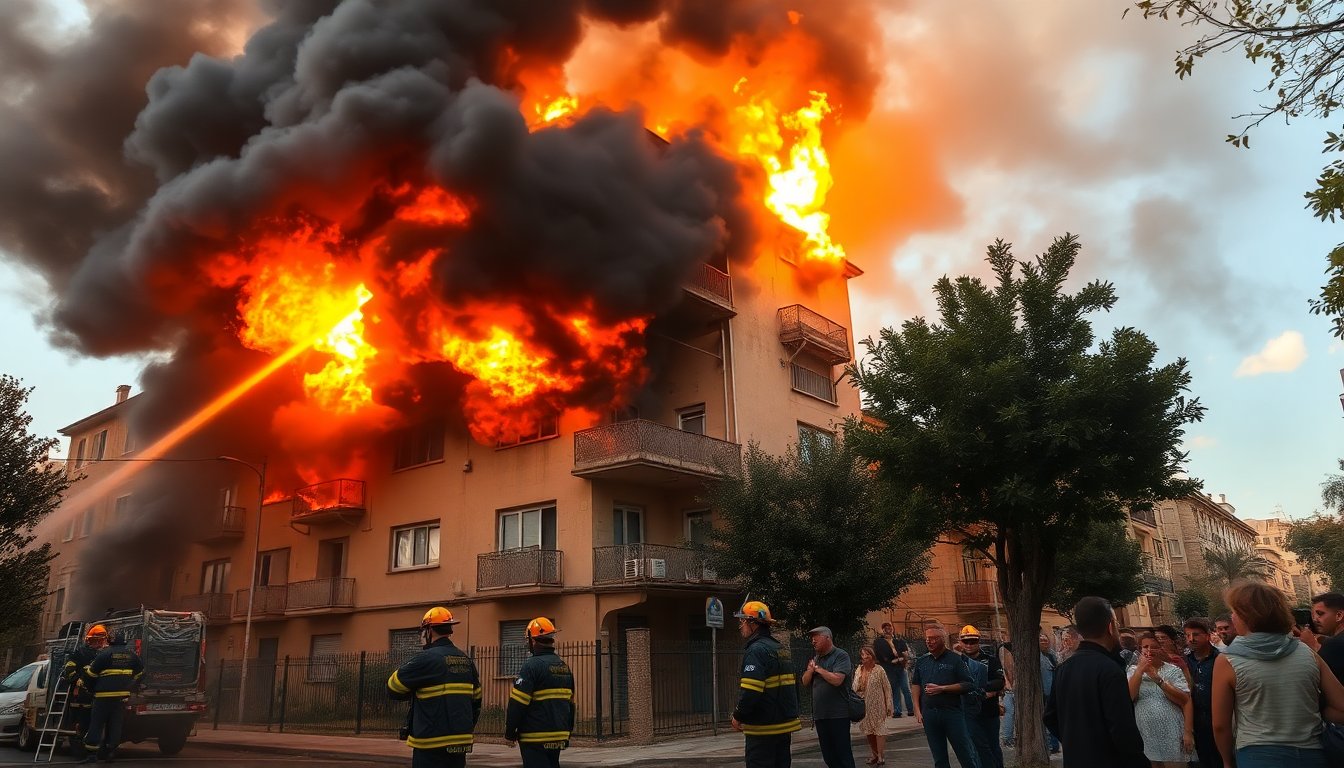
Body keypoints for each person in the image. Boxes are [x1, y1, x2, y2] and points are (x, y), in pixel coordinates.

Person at [1213, 581, 1344, 767]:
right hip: (1311, 755)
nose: (1232, 617)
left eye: (1235, 612)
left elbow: (1220, 726)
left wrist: (1227, 761)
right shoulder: (1306, 652)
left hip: (1258, 756)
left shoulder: (1227, 660)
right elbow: (1341, 706)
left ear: (1247, 617)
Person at [1043, 596, 1148, 768]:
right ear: (1110, 626)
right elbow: (1122, 729)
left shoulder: (1064, 668)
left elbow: (1049, 716)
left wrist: (1077, 743)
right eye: (1116, 624)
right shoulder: (1110, 670)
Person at [387, 607, 482, 768]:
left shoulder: (426, 659)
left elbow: (393, 687)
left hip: (431, 744)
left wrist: (413, 690)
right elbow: (477, 701)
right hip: (460, 742)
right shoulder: (466, 660)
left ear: (429, 630)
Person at [731, 600, 801, 768]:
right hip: (784, 726)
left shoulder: (756, 650)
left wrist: (738, 715)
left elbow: (751, 691)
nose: (740, 626)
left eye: (742, 621)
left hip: (763, 728)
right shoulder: (780, 649)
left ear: (752, 623)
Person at [505, 617, 575, 768]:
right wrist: (567, 732)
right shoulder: (564, 667)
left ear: (533, 640)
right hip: (558, 735)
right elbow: (570, 704)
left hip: (535, 736)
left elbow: (517, 704)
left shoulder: (531, 666)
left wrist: (510, 733)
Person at [911, 624, 979, 768]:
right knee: (939, 757)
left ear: (942, 639)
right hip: (929, 714)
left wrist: (943, 688)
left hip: (951, 713)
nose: (930, 641)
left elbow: (968, 684)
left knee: (965, 753)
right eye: (927, 638)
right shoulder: (922, 661)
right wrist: (917, 709)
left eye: (934, 638)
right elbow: (916, 684)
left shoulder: (955, 659)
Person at [1127, 632, 1190, 768]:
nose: (1149, 650)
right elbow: (1130, 697)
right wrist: (1139, 671)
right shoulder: (1133, 671)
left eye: (1154, 647)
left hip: (1172, 732)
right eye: (1145, 647)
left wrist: (1157, 678)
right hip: (1146, 733)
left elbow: (1185, 699)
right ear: (1140, 649)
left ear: (1161, 648)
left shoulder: (1173, 670)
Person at [79, 631, 143, 763]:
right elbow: (141, 672)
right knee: (115, 724)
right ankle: (110, 752)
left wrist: (90, 689)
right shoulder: (132, 655)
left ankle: (91, 754)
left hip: (103, 697)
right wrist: (132, 686)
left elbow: (91, 674)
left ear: (110, 642)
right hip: (121, 698)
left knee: (96, 724)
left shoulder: (104, 654)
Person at [803, 626, 856, 768]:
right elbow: (804, 682)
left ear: (827, 637)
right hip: (821, 715)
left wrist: (818, 669)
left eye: (816, 637)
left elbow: (837, 680)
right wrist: (810, 670)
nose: (813, 641)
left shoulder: (840, 655)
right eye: (811, 638)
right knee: (829, 756)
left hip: (838, 715)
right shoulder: (816, 658)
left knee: (843, 755)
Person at [960, 626, 1005, 768]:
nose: (969, 645)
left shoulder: (991, 660)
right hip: (968, 713)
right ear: (961, 642)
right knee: (976, 748)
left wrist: (980, 688)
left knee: (993, 746)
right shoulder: (957, 662)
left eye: (972, 641)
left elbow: (999, 682)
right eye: (966, 642)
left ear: (978, 642)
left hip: (989, 711)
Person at [1181, 618, 1221, 768]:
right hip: (1194, 724)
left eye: (1196, 635)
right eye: (1187, 635)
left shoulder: (1220, 659)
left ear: (1208, 635)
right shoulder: (1185, 661)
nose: (1191, 639)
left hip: (1218, 722)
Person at [63, 624, 108, 753]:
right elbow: (69, 669)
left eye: (101, 640)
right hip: (83, 696)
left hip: (98, 694)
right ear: (90, 640)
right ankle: (80, 746)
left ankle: (93, 747)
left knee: (96, 722)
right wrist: (77, 680)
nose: (98, 643)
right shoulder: (80, 653)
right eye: (96, 640)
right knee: (83, 722)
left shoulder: (105, 654)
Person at [853, 646, 893, 766]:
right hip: (864, 705)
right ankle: (874, 754)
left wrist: (889, 704)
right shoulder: (859, 670)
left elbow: (887, 687)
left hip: (878, 704)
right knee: (869, 730)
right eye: (863, 655)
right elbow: (854, 687)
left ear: (872, 656)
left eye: (868, 655)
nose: (865, 657)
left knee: (879, 729)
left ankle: (881, 756)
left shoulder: (879, 670)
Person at [873, 622, 913, 717]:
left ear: (892, 629)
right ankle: (897, 711)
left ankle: (911, 709)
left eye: (889, 628)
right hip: (889, 668)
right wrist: (893, 660)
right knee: (895, 689)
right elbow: (881, 655)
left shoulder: (899, 641)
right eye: (885, 628)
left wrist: (899, 659)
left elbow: (905, 654)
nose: (888, 630)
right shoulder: (879, 642)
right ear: (882, 630)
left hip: (901, 667)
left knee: (905, 688)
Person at [1303, 591, 1344, 684]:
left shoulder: (1336, 644)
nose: (1315, 619)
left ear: (1339, 615)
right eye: (1313, 615)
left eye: (1320, 614)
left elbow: (1317, 675)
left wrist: (1312, 645)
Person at [1039, 633, 1060, 754]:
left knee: (1054, 718)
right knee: (1046, 719)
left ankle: (1054, 745)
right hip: (1044, 693)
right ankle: (1050, 745)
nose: (1044, 642)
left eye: (1045, 640)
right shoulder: (1037, 657)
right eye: (1041, 640)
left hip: (1053, 692)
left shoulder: (1052, 655)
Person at [997, 631, 1015, 749]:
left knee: (1010, 712)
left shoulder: (1004, 648)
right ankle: (1007, 738)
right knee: (1010, 712)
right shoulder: (1005, 648)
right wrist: (1009, 683)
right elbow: (1007, 668)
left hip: (1010, 688)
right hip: (1011, 688)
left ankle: (1008, 738)